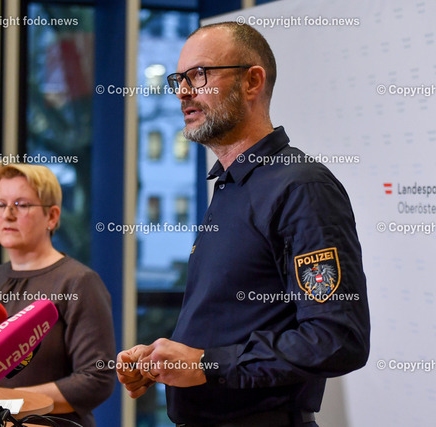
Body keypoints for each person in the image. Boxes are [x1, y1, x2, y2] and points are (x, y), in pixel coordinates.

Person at [117, 22, 370, 427]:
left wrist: (208, 364)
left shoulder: (301, 187)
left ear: (252, 81)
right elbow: (233, 325)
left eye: (200, 75)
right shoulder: (230, 186)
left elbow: (338, 338)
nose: (183, 91)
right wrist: (166, 361)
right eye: (179, 79)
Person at [0, 163, 116, 426]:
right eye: (0, 204)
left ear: (52, 217)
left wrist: (6, 402)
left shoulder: (78, 283)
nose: (7, 215)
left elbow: (96, 379)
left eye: (21, 205)